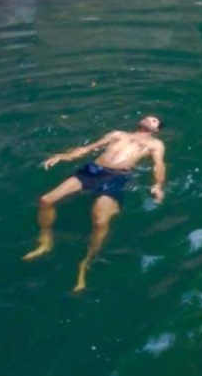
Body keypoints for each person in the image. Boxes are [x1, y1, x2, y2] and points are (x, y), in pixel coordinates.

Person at [23, 115, 166, 292]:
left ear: (157, 130)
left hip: (116, 176)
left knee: (99, 221)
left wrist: (158, 185)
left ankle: (86, 262)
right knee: (45, 200)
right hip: (92, 170)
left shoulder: (155, 144)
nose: (148, 119)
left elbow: (159, 165)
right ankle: (45, 239)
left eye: (154, 120)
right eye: (147, 117)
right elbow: (88, 148)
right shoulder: (117, 134)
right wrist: (63, 156)